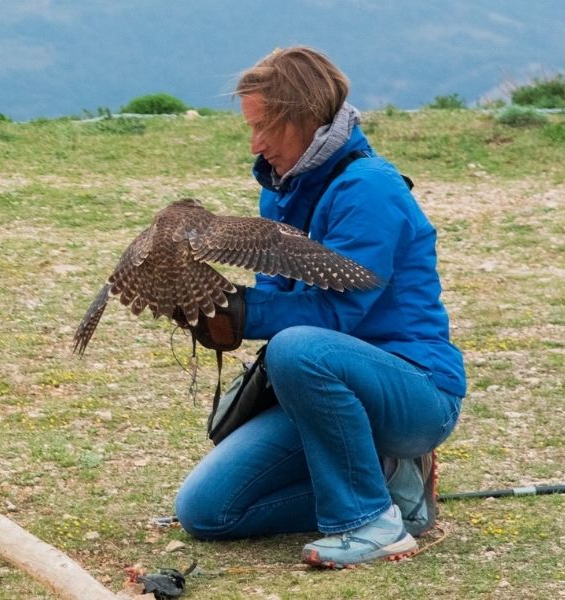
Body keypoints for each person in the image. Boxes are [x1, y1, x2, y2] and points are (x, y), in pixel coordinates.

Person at [173, 46, 466, 568]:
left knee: (298, 347)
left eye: (266, 127)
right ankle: (396, 498)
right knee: (206, 512)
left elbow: (338, 314)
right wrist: (213, 306)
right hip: (324, 389)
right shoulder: (280, 192)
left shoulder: (370, 191)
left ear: (307, 117)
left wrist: (243, 313)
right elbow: (281, 297)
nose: (255, 145)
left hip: (414, 392)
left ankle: (371, 523)